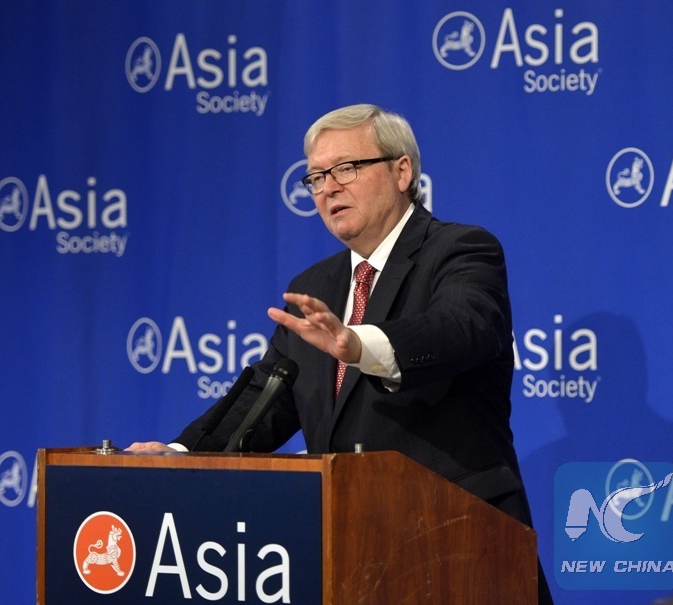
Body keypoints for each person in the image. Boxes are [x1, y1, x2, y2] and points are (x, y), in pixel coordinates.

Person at [128, 103, 551, 602]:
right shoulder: (315, 286)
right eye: (315, 177)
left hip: (460, 543)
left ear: (401, 171)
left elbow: (463, 328)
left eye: (346, 168)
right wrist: (180, 455)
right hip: (350, 548)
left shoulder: (461, 250)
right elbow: (268, 397)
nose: (328, 188)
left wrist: (362, 345)